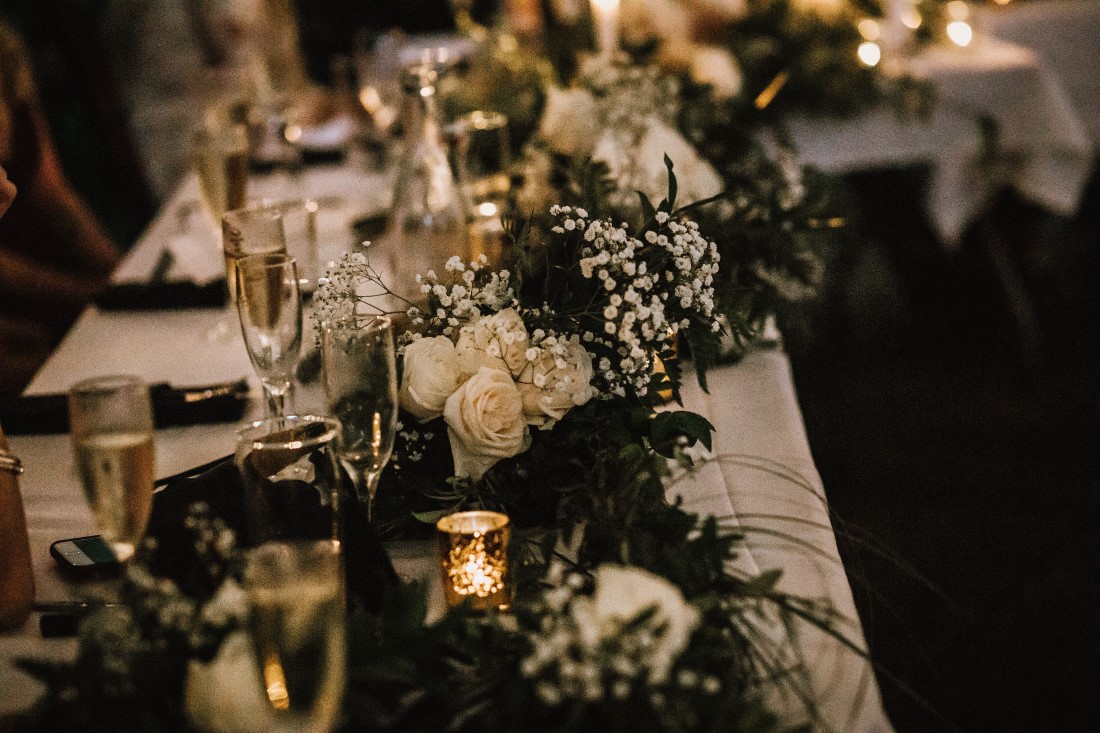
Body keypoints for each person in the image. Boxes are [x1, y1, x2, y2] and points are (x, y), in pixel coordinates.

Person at [1, 22, 122, 396]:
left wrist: (125, 281)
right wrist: (89, 296)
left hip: (44, 281)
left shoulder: (8, 54)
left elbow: (57, 201)